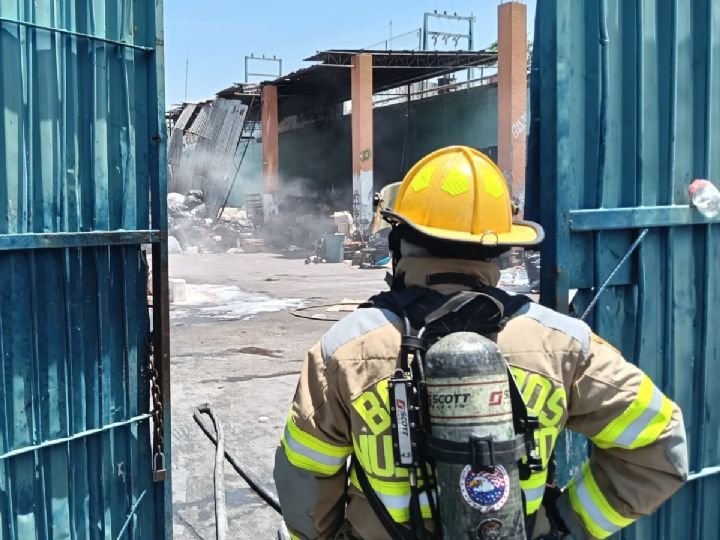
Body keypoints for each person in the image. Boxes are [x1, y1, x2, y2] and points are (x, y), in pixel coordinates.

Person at [273, 146, 688, 539]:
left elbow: (304, 477)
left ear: (399, 245)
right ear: (501, 250)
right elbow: (661, 445)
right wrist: (569, 524)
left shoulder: (345, 351)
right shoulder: (564, 344)